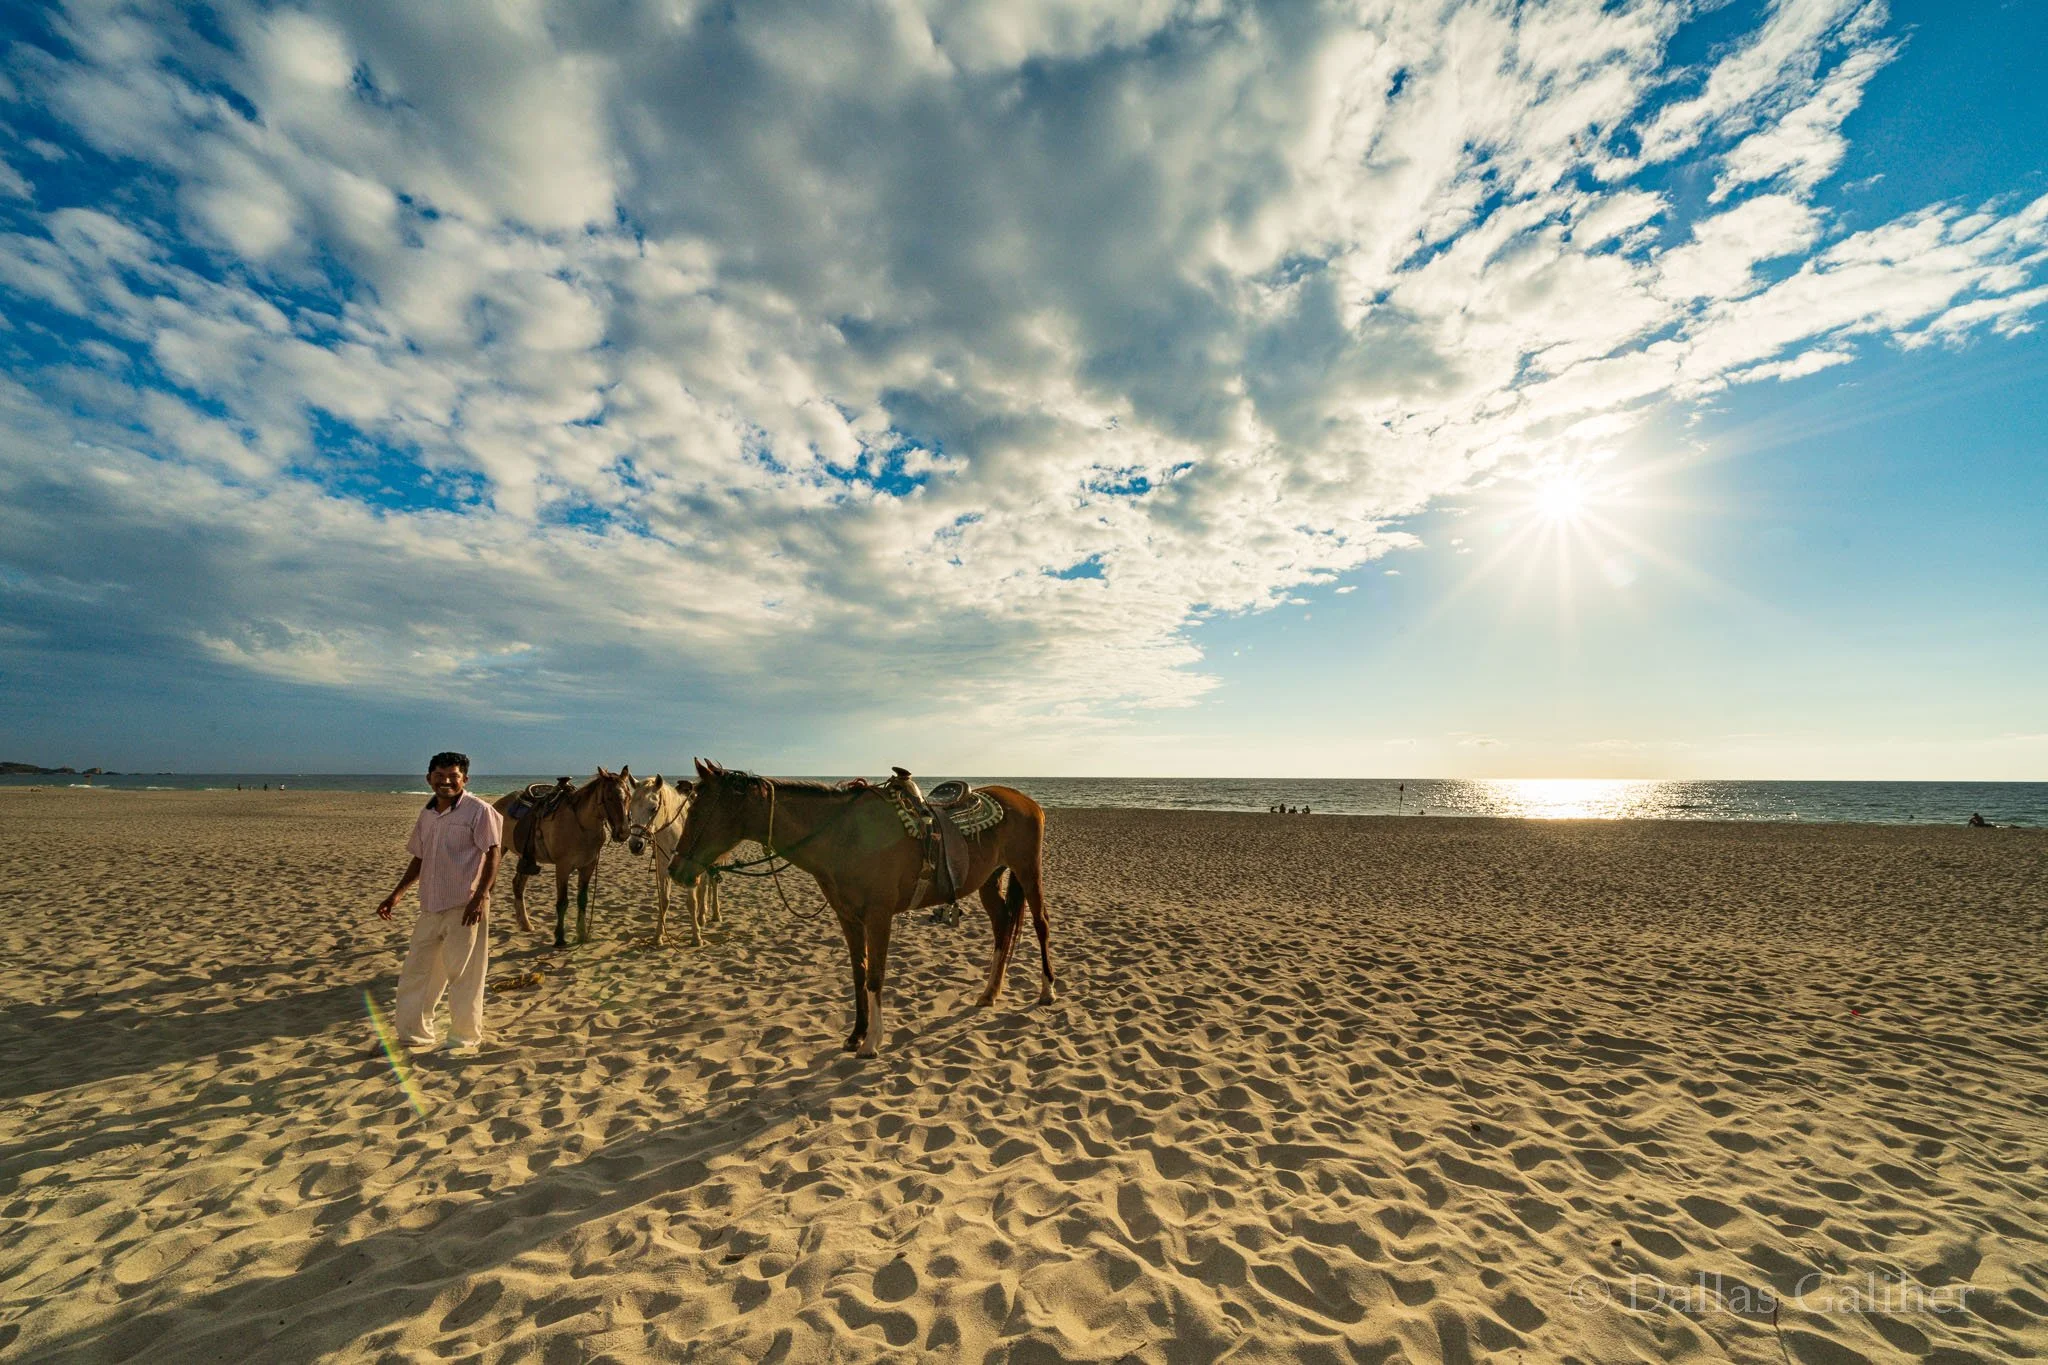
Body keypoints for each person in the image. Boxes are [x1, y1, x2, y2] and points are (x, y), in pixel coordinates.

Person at [377, 751, 502, 1054]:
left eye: (453, 776)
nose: (446, 781)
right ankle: (413, 1036)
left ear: (465, 779)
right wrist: (397, 893)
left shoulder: (479, 811)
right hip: (430, 906)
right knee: (416, 972)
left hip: (466, 906)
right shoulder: (427, 814)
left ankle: (463, 1039)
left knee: (465, 975)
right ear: (429, 778)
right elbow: (420, 857)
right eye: (439, 776)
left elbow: (493, 854)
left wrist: (480, 896)